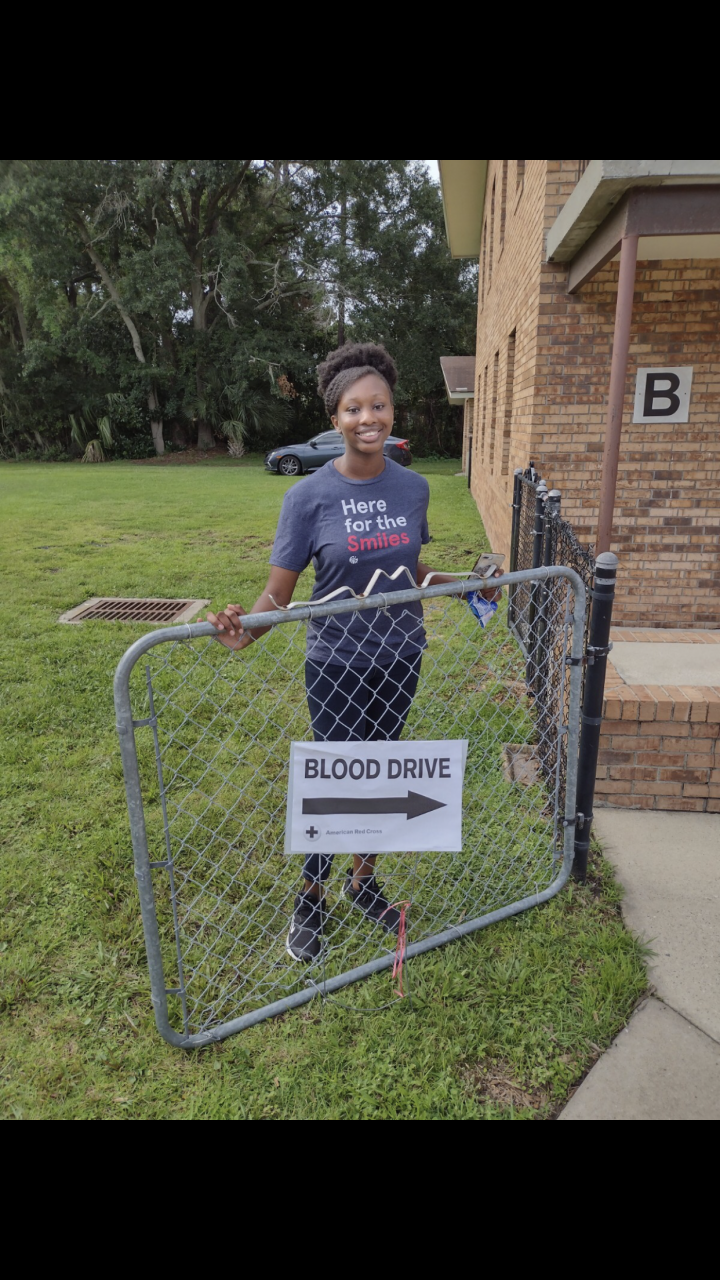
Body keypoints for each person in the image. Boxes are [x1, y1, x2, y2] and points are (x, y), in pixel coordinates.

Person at [207, 343, 500, 962]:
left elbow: (408, 569)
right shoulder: (308, 497)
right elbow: (279, 592)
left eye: (379, 405)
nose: (369, 418)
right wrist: (246, 630)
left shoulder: (413, 488)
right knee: (336, 780)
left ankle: (363, 881)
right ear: (335, 418)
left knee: (383, 772)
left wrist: (467, 585)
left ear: (393, 410)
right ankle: (310, 895)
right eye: (353, 408)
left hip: (401, 652)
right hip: (336, 660)